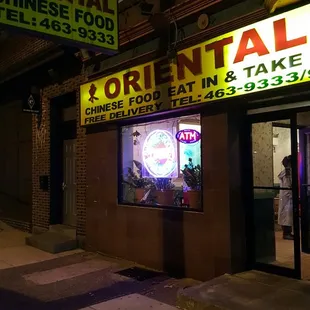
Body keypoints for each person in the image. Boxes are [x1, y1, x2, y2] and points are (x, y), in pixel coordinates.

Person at [278, 155, 294, 240]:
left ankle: (288, 232)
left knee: (287, 215)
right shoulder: (287, 173)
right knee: (287, 215)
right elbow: (287, 187)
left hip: (287, 197)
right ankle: (286, 233)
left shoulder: (288, 172)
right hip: (287, 197)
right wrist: (292, 196)